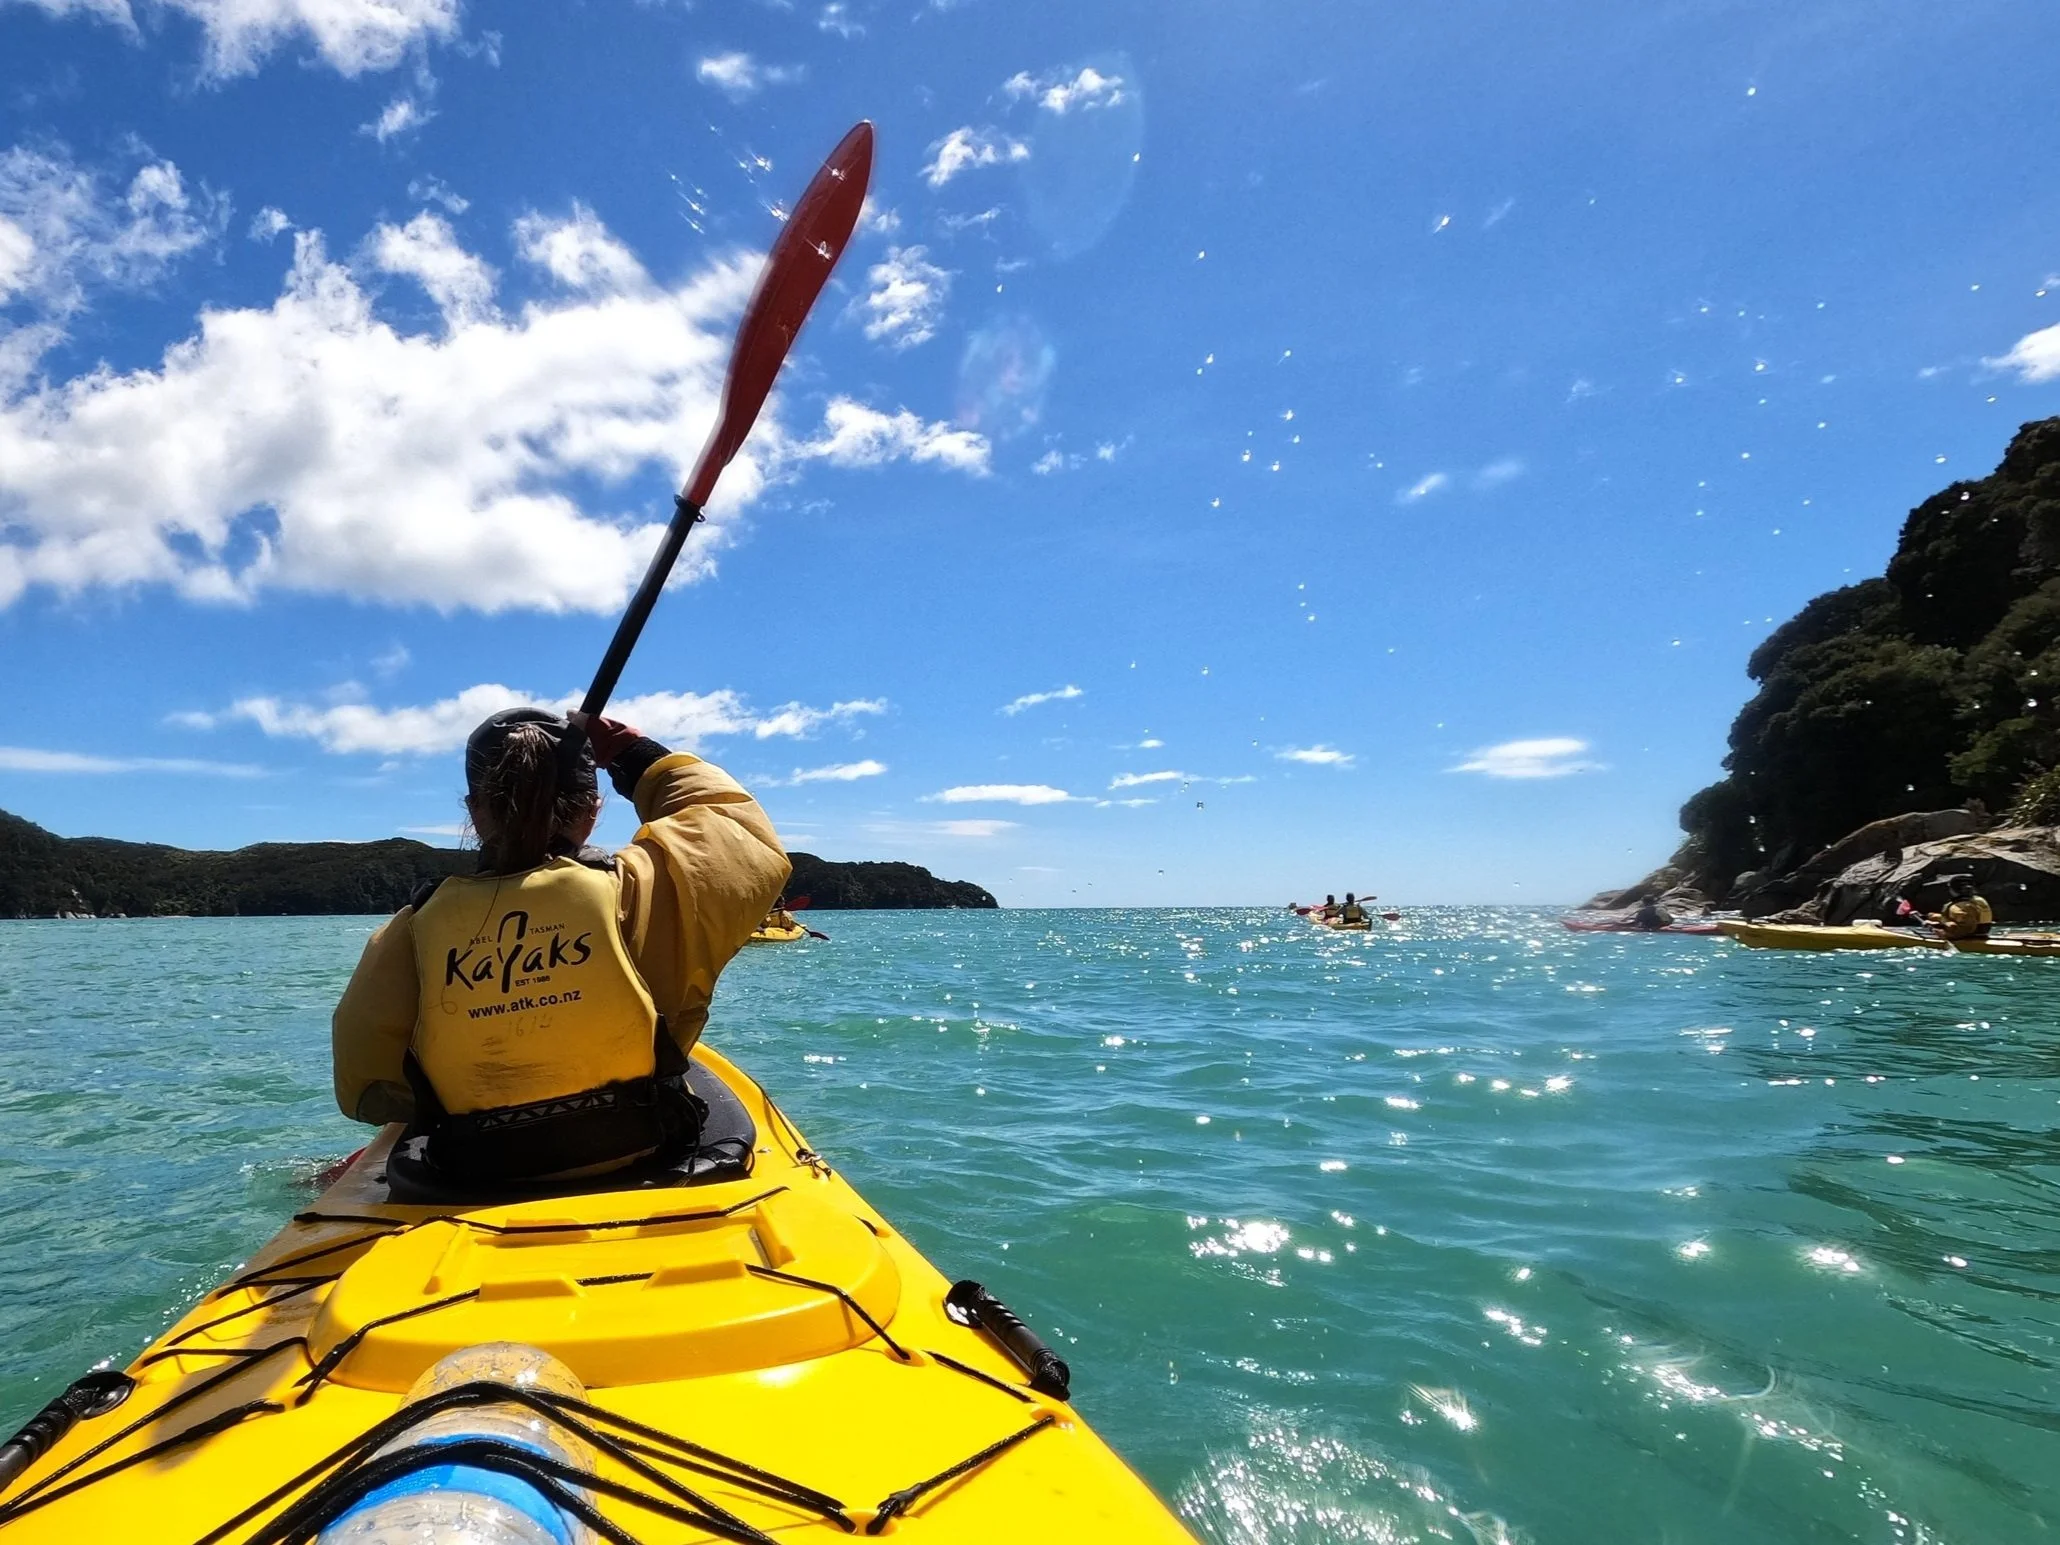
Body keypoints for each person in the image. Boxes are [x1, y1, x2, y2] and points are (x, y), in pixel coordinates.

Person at [331, 707, 789, 1184]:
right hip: (644, 1145)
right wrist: (635, 755)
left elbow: (366, 1088)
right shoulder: (649, 889)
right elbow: (734, 827)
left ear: (474, 809)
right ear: (593, 810)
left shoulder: (408, 932)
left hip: (477, 1168)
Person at [1929, 874, 1993, 941]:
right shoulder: (1979, 900)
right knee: (1933, 916)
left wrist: (1943, 933)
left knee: (1935, 917)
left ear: (1953, 889)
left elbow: (1965, 929)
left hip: (1968, 939)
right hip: (1982, 935)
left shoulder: (1959, 907)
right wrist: (1938, 924)